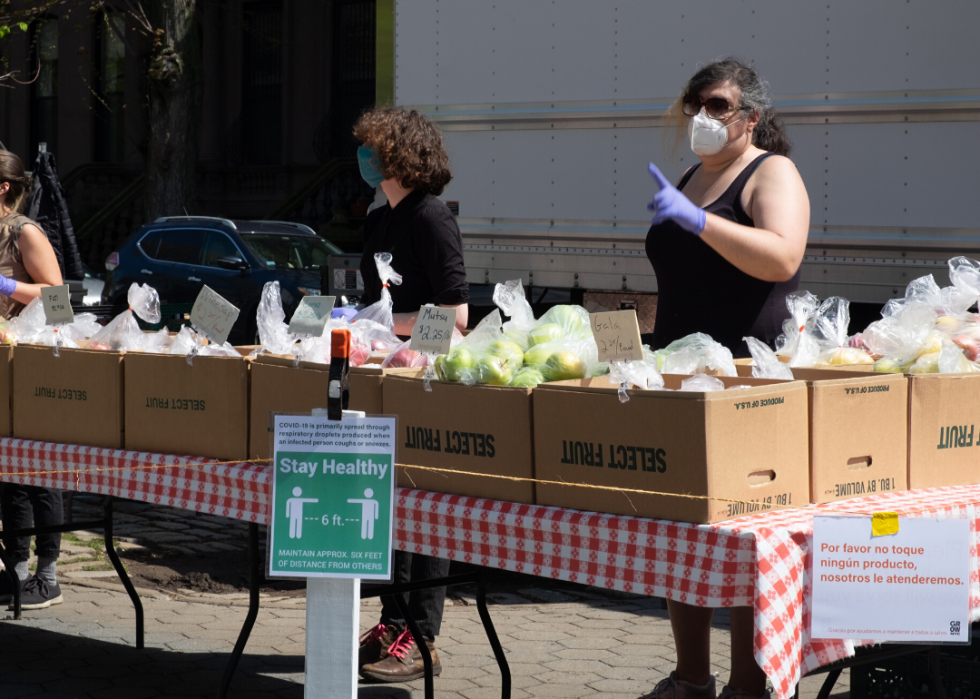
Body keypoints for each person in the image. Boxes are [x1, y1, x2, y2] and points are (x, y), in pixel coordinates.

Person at [643, 59, 810, 699]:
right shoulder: (690, 174)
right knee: (680, 523)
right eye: (695, 106)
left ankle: (748, 682)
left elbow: (782, 255)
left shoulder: (773, 172)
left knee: (744, 531)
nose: (702, 118)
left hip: (748, 378)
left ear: (751, 117)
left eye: (717, 106)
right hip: (682, 372)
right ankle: (690, 677)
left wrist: (698, 220)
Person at [353, 107, 468, 683]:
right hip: (384, 376)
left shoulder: (431, 218)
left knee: (425, 507)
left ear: (398, 155)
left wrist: (385, 324)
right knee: (389, 503)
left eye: (372, 149)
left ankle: (422, 638)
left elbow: (456, 315)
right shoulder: (379, 221)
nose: (364, 159)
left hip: (425, 380)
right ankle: (390, 619)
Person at [0, 150, 68, 611]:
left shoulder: (24, 232)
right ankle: (15, 572)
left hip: (26, 366)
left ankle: (48, 574)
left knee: (37, 469)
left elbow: (59, 301)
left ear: (2, 187)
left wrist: (4, 287)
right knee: (6, 472)